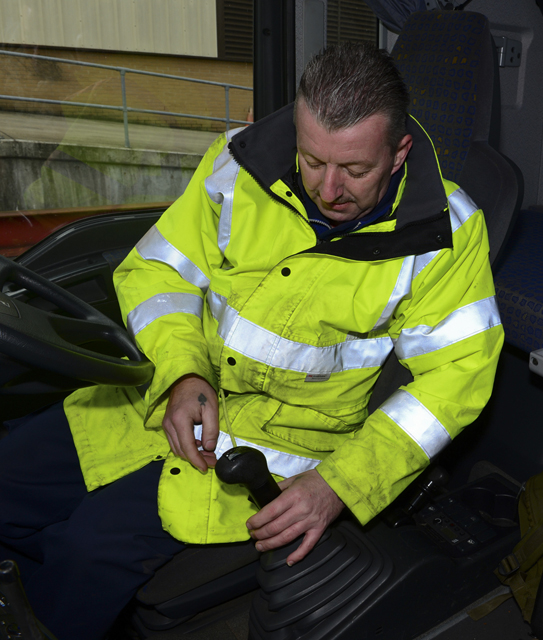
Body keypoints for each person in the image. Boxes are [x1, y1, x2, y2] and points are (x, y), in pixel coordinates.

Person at [0, 43, 503, 639]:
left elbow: (456, 381)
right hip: (164, 396)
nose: (328, 189)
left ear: (399, 153)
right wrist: (184, 372)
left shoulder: (448, 234)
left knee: (85, 553)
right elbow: (157, 272)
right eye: (312, 160)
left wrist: (341, 483)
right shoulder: (238, 166)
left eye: (355, 170)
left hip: (284, 450)